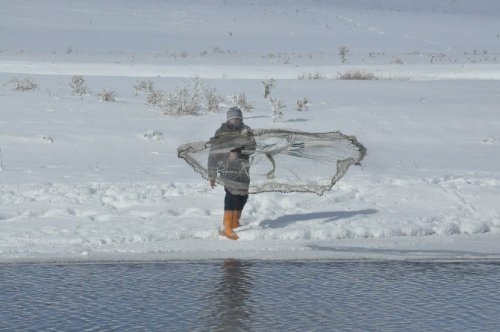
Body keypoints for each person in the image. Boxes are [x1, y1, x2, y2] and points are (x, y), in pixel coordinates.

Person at [208, 107, 256, 240]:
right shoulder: (221, 132)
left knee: (243, 197)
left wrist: (238, 151)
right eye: (233, 118)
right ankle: (227, 227)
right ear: (228, 119)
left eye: (238, 118)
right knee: (231, 196)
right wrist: (212, 174)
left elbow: (252, 148)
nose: (236, 121)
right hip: (227, 169)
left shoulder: (246, 130)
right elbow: (213, 154)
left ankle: (235, 223)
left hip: (243, 170)